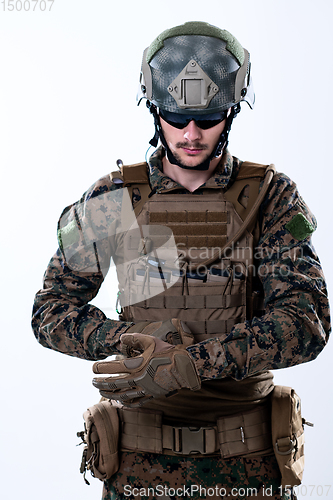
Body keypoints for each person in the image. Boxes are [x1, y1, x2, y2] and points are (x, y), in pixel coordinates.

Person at [32, 21, 330, 500]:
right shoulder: (113, 198)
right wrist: (127, 342)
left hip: (248, 465)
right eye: (175, 116)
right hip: (136, 468)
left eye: (209, 118)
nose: (191, 134)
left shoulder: (271, 197)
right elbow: (50, 311)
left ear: (232, 111)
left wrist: (196, 363)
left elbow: (307, 323)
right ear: (153, 108)